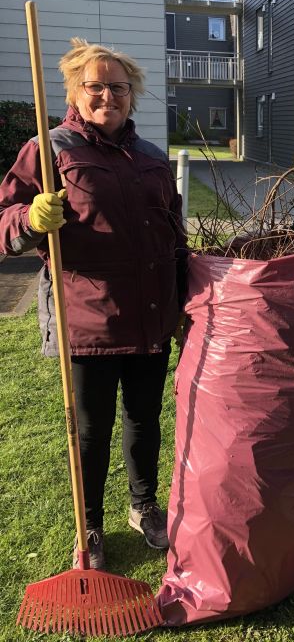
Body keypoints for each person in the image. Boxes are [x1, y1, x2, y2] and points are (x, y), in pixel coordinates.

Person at [0, 38, 187, 570]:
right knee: (89, 429)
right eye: (96, 86)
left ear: (133, 95)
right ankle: (91, 523)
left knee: (144, 419)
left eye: (119, 87)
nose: (108, 95)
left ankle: (144, 506)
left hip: (151, 314)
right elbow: (3, 219)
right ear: (76, 93)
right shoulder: (50, 148)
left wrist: (183, 299)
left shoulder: (151, 157)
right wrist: (30, 221)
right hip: (88, 319)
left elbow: (174, 234)